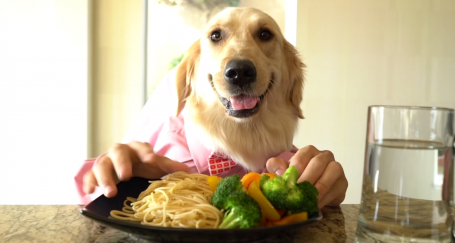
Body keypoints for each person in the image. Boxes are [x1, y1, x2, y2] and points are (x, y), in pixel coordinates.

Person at [74, 70, 348, 209]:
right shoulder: (161, 135)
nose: (240, 65)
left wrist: (326, 185)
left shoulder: (285, 166)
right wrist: (116, 179)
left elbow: (311, 191)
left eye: (264, 35)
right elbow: (92, 192)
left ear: (291, 83)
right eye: (217, 36)